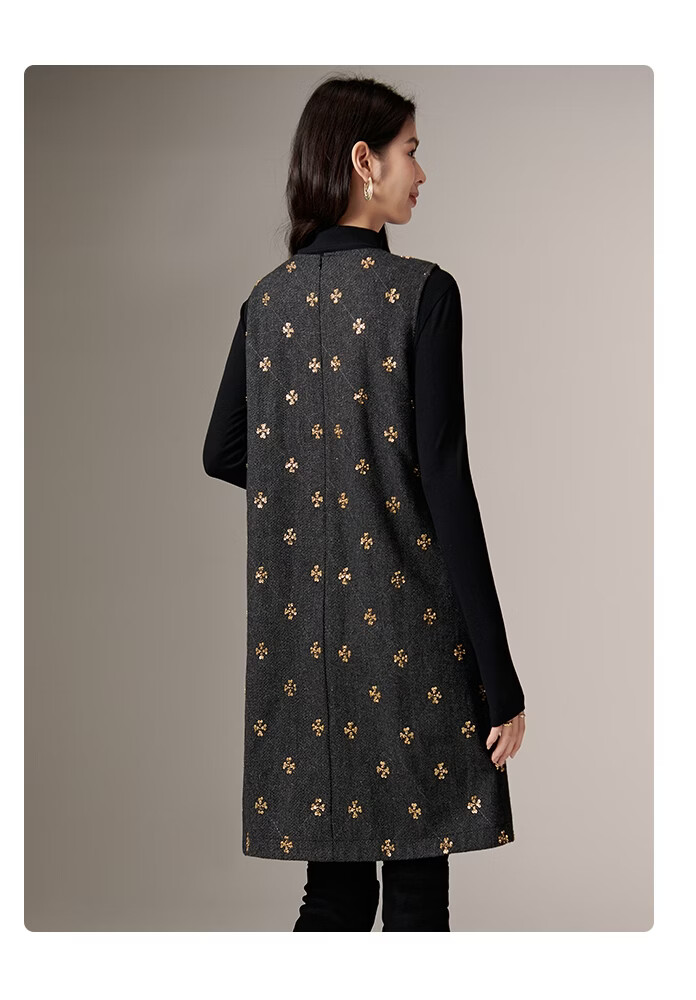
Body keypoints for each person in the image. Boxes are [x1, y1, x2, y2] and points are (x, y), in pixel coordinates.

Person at [203, 74, 526, 932]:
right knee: (417, 888)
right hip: (411, 632)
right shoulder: (423, 292)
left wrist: (318, 492)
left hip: (302, 646)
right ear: (364, 161)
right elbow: (446, 485)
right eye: (411, 151)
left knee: (334, 891)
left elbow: (222, 451)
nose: (421, 172)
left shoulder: (265, 300)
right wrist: (500, 678)